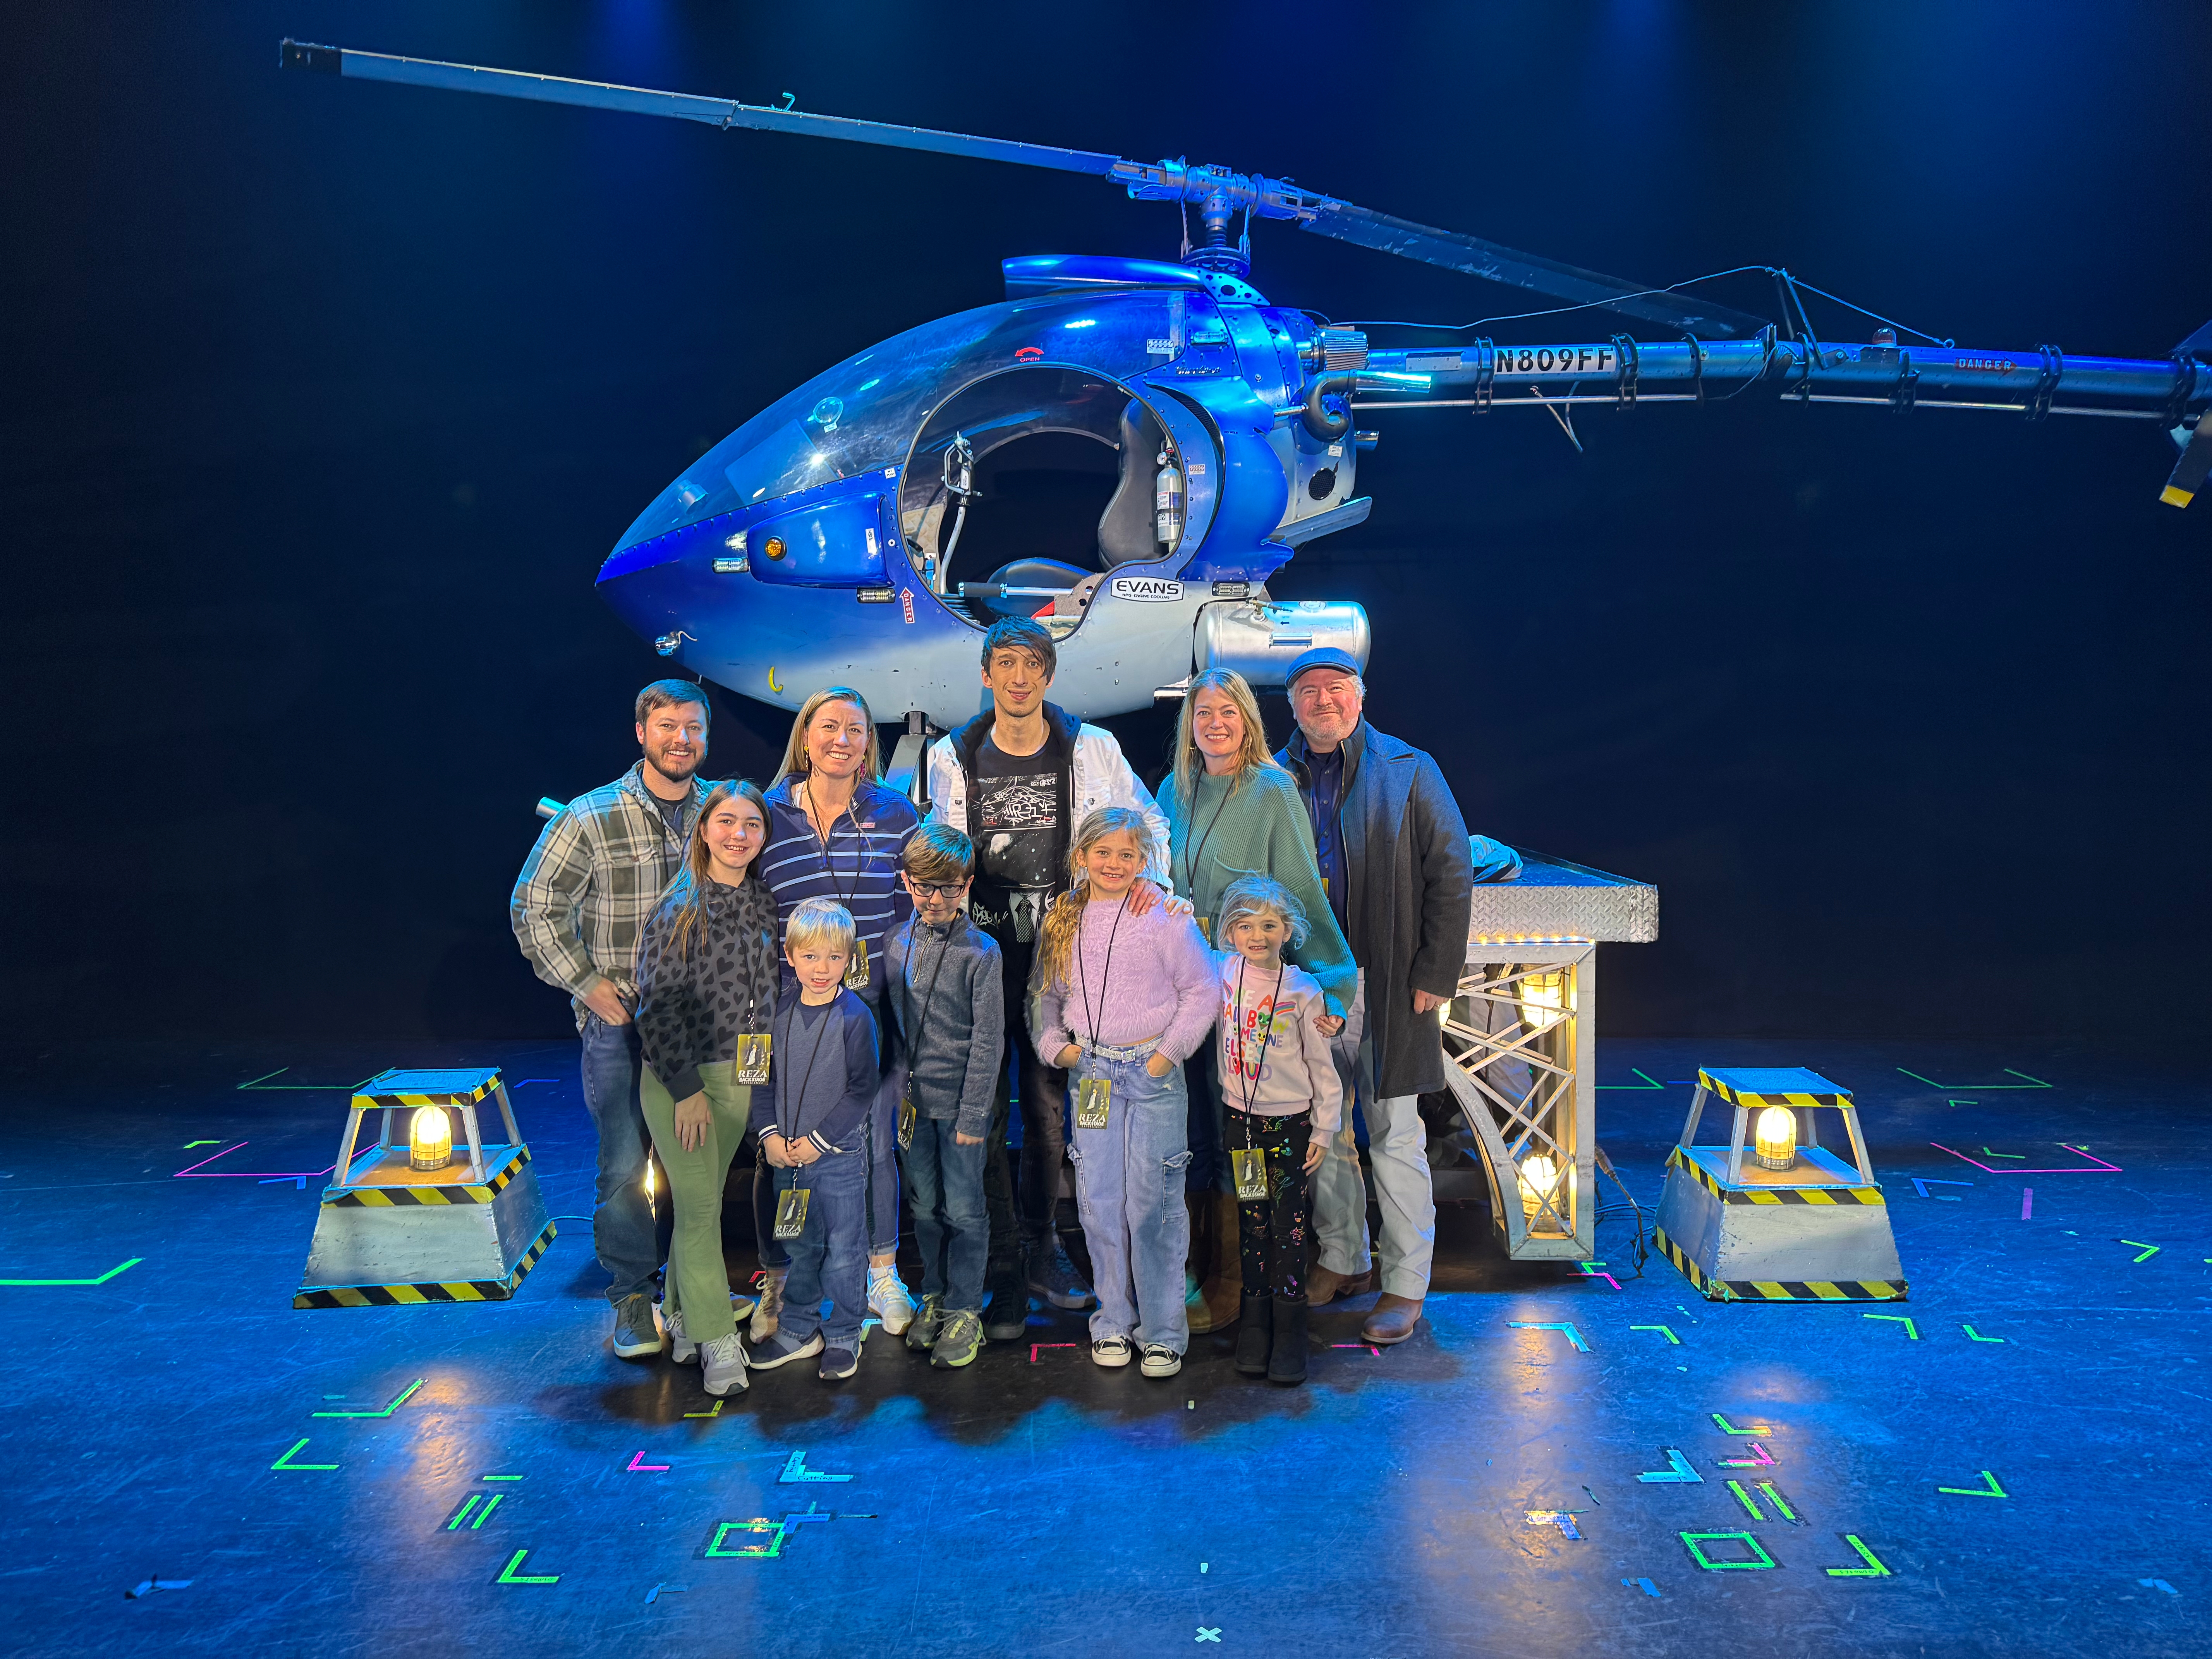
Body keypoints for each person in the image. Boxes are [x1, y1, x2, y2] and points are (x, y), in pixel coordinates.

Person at [925, 618, 1173, 1342]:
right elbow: (933, 848)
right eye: (1006, 664)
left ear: (1049, 676)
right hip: (977, 960)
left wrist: (1147, 891)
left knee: (1049, 1115)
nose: (1019, 678)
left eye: (1033, 664)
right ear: (986, 674)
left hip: (1063, 961)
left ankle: (1043, 1246)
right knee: (977, 1110)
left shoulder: (1092, 748)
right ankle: (995, 1264)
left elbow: (1148, 827)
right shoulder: (950, 756)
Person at [1276, 647, 1474, 1347]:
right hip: (1308, 986)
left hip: (1387, 981)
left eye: (1337, 688)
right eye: (1309, 690)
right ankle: (1343, 1257)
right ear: (1292, 705)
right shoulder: (1272, 774)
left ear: (1360, 697)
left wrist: (1436, 972)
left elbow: (1451, 870)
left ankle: (1405, 1284)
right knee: (1323, 1133)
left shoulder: (1410, 769)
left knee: (1395, 1134)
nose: (1323, 700)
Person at [511, 680, 711, 1360]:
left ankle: (690, 1290)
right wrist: (586, 983)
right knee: (626, 1164)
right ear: (641, 733)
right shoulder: (591, 815)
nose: (681, 739)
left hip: (701, 1025)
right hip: (622, 1023)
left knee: (697, 1161)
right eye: (668, 726)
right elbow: (534, 905)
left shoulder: (722, 811)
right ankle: (632, 1296)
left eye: (693, 728)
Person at [1156, 667, 1354, 1334]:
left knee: (1231, 1134)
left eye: (1228, 712)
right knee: (1193, 1134)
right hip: (1187, 988)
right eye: (1203, 712)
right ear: (1189, 724)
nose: (1215, 723)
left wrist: (1332, 980)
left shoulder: (1272, 788)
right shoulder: (1174, 789)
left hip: (1246, 992)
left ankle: (1239, 1282)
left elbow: (1300, 889)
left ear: (1247, 721)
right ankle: (1196, 1270)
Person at [754, 687, 921, 1343]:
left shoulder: (895, 813)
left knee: (872, 1143)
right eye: (829, 727)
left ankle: (881, 1274)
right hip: (788, 1013)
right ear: (806, 736)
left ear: (868, 744)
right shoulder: (767, 814)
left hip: (869, 1009)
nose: (842, 740)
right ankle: (781, 1279)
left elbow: (908, 913)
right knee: (781, 1146)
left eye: (855, 729)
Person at [1033, 808, 1216, 1379]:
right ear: (1082, 857)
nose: (1114, 864)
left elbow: (1203, 990)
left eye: (1127, 855)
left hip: (1151, 1075)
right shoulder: (1063, 918)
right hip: (1092, 1074)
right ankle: (1112, 1320)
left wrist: (1166, 1056)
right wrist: (1058, 1050)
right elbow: (1045, 996)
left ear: (1143, 861)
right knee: (1099, 1203)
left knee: (1154, 1205)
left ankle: (1162, 1333)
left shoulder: (1163, 915)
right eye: (1103, 853)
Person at [633, 780, 780, 1398]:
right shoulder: (679, 908)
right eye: (726, 821)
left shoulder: (763, 900)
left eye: (752, 824)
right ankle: (719, 1341)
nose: (738, 834)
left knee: (706, 1203)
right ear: (704, 829)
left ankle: (683, 1317)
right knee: (697, 1212)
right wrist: (686, 1090)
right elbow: (655, 1009)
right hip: (684, 1081)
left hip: (742, 1072)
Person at [884, 824, 1004, 1369]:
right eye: (924, 887)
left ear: (967, 885)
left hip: (960, 1110)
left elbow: (987, 1041)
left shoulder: (983, 952)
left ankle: (964, 1309)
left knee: (965, 1211)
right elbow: (894, 1030)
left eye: (949, 888)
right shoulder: (896, 942)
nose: (935, 899)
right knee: (924, 1208)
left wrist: (974, 1116)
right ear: (907, 882)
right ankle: (933, 1295)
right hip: (913, 1109)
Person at [1211, 876, 1338, 1386]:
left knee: (1289, 1227)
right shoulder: (1223, 974)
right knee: (1252, 1223)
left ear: (1287, 931)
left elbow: (1323, 1069)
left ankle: (1290, 1328)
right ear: (1230, 933)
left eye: (1268, 925)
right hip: (1240, 1127)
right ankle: (1255, 1322)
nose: (1256, 936)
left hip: (1290, 1129)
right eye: (1245, 926)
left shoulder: (1304, 992)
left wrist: (1323, 1130)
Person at [747, 898, 881, 1382]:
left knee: (845, 1248)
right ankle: (800, 1327)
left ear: (849, 959)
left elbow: (862, 1089)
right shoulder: (776, 1012)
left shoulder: (856, 1017)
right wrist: (770, 1136)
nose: (822, 969)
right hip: (787, 1160)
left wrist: (819, 1141)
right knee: (800, 1246)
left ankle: (844, 1331)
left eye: (834, 957)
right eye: (810, 957)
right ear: (790, 955)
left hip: (838, 1158)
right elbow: (760, 1081)